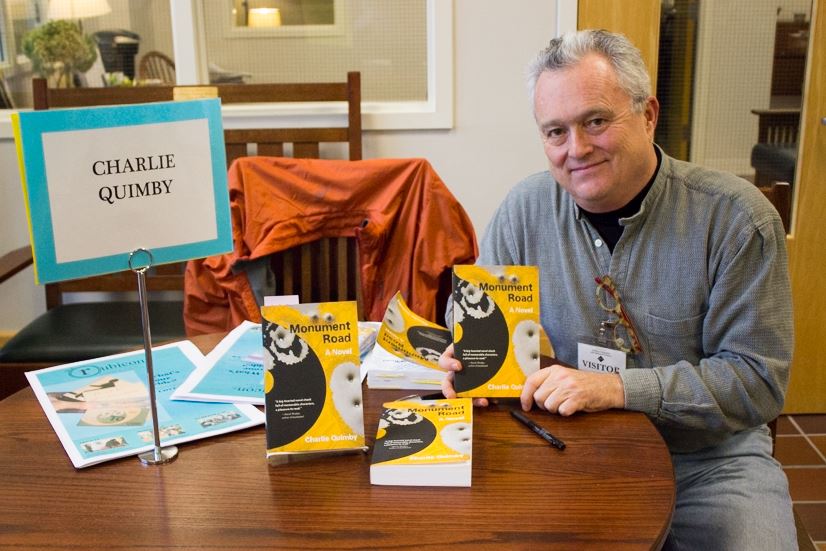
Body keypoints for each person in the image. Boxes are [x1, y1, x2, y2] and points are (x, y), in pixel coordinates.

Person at [440, 29, 795, 550]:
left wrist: (618, 389)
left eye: (596, 121)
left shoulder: (738, 221)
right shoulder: (523, 210)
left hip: (709, 465)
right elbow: (474, 312)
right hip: (566, 451)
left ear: (648, 115)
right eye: (555, 132)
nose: (576, 149)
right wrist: (469, 353)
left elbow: (756, 382)